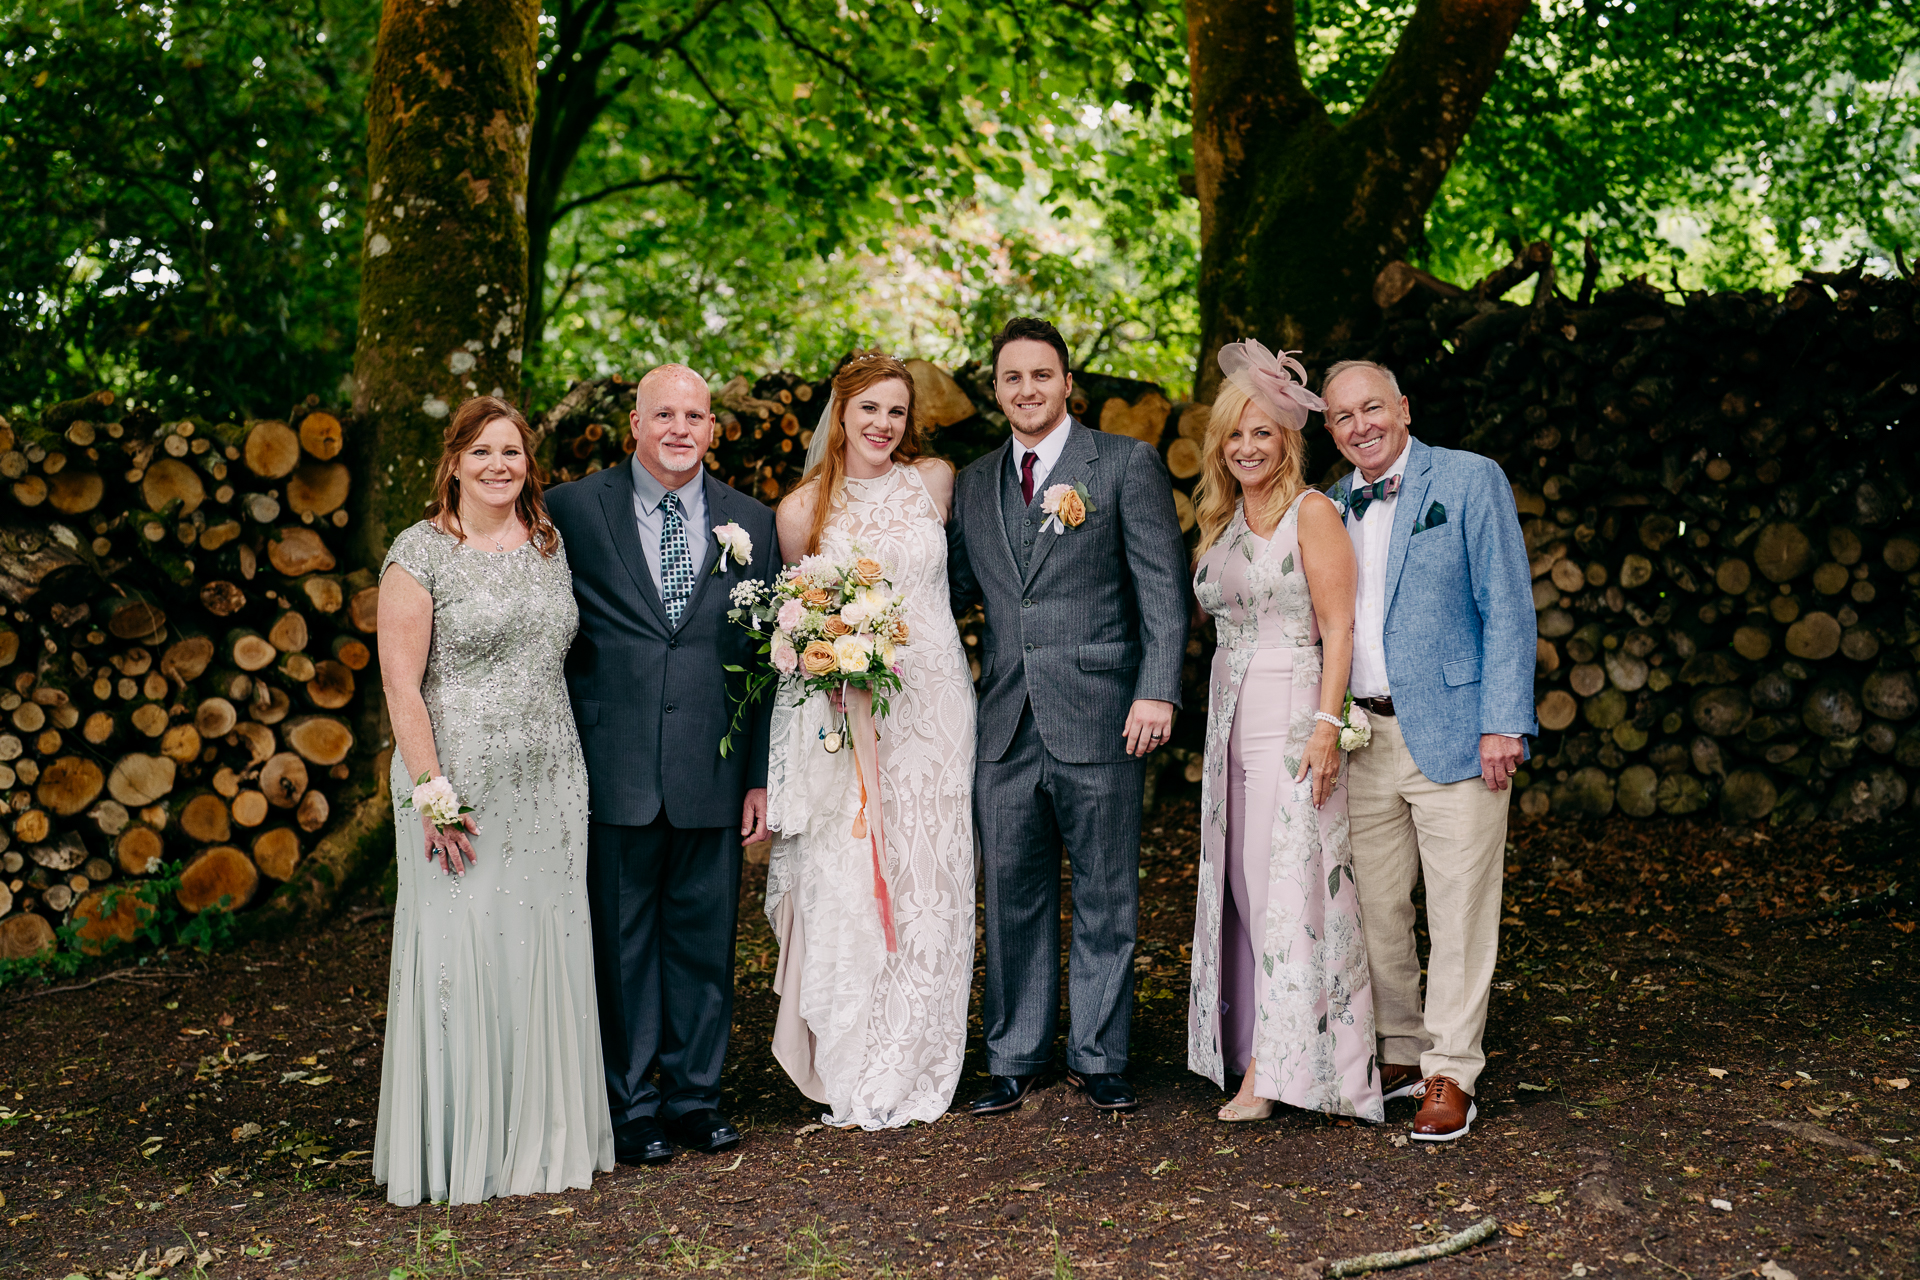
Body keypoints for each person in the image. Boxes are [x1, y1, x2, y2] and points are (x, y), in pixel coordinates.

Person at [372, 395, 614, 1206]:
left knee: (542, 947)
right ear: (453, 463)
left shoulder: (548, 544)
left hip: (550, 779)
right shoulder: (419, 553)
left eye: (511, 452)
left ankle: (540, 1144)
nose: (498, 466)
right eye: (481, 453)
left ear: (527, 465)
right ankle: (461, 1149)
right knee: (462, 951)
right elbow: (401, 687)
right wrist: (434, 795)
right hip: (459, 785)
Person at [948, 316, 1189, 1115]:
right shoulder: (976, 483)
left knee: (1106, 891)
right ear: (996, 390)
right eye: (1012, 378)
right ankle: (1014, 1057)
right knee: (1009, 893)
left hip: (1103, 714)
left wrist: (1156, 688)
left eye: (1041, 376)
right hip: (1005, 723)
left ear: (1066, 383)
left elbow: (1160, 586)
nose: (1027, 390)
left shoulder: (1122, 464)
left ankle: (1099, 1053)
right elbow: (947, 594)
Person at [545, 365, 779, 1164]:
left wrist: (758, 773)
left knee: (705, 940)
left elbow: (764, 657)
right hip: (611, 760)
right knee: (621, 941)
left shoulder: (753, 521)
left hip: (712, 763)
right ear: (635, 426)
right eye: (665, 414)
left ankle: (695, 1097)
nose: (681, 429)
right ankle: (631, 1102)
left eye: (697, 416)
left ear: (713, 429)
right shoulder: (573, 508)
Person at [1322, 359, 1536, 1142]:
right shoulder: (1333, 503)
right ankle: (1402, 1052)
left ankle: (1453, 1071)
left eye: (1372, 408)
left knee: (1460, 910)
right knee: (1377, 909)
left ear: (1404, 409)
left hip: (1457, 729)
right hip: (1364, 736)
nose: (1360, 426)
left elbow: (1507, 603)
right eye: (1343, 417)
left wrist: (1504, 722)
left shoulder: (1471, 479)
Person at [763, 351, 977, 1129]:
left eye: (895, 411)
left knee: (933, 876)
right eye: (869, 410)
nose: (883, 425)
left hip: (940, 704)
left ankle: (922, 1051)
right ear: (840, 415)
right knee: (857, 873)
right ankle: (860, 1054)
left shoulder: (935, 482)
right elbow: (803, 625)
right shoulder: (800, 512)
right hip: (854, 710)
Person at [1185, 342, 1382, 1124]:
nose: (1247, 447)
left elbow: (1340, 629)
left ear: (1288, 439)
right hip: (1229, 719)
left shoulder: (1313, 512)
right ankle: (1254, 1047)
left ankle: (1274, 1073)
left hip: (1293, 711)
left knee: (1282, 891)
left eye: (1262, 433)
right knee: (1239, 884)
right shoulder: (1225, 519)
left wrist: (1327, 728)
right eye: (1235, 434)